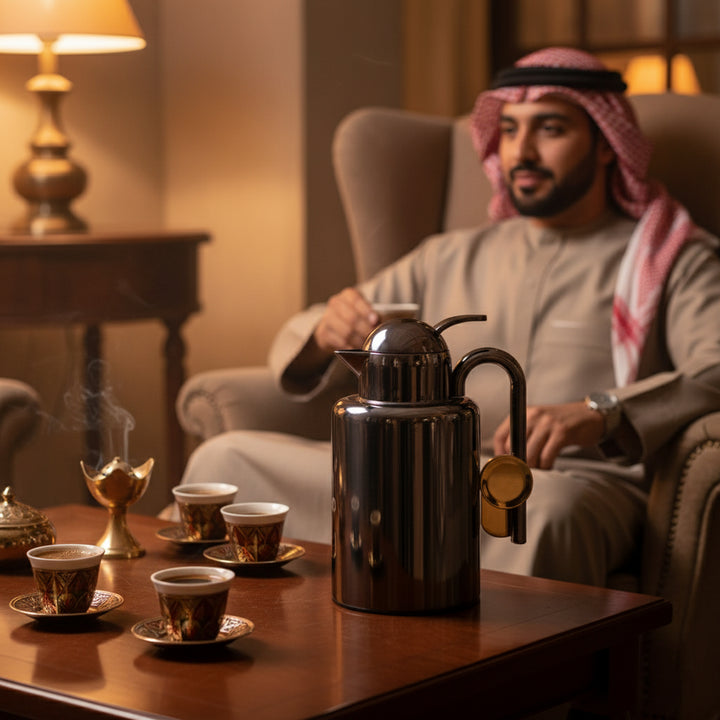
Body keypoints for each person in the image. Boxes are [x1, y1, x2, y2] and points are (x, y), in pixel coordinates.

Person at [175, 47, 720, 587]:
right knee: (226, 459)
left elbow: (713, 367)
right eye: (508, 130)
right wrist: (325, 330)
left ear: (606, 145)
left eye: (550, 129)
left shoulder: (670, 256)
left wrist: (600, 412)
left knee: (540, 512)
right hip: (420, 466)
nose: (521, 151)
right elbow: (336, 320)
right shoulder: (451, 255)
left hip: (575, 478)